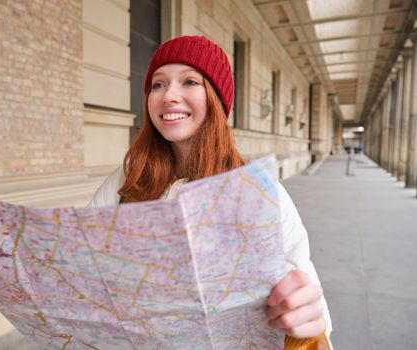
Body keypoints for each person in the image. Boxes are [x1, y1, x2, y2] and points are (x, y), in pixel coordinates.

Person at [89, 35, 332, 348]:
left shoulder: (260, 194)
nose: (168, 96)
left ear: (216, 100)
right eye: (158, 84)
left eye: (190, 81)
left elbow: (310, 307)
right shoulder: (125, 181)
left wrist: (307, 316)